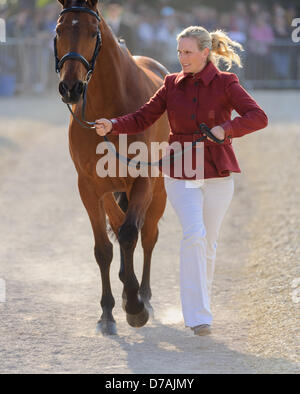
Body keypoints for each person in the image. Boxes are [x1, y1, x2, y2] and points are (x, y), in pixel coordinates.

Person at [94, 26, 268, 336]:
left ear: (205, 53)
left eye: (187, 52)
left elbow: (258, 116)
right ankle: (198, 316)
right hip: (182, 171)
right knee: (193, 234)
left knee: (208, 244)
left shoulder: (227, 84)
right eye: (179, 52)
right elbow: (143, 116)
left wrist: (226, 129)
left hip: (217, 172)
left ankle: (201, 301)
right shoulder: (171, 84)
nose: (182, 58)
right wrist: (113, 125)